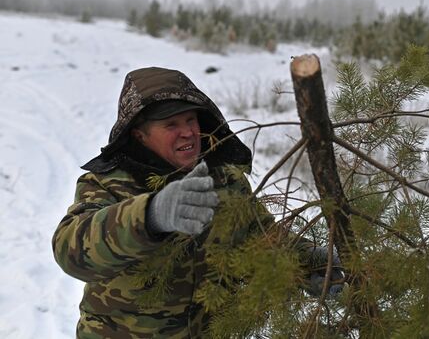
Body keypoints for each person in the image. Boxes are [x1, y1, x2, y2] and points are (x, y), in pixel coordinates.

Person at [52, 67, 342, 338]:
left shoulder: (224, 178)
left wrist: (310, 263)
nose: (188, 131)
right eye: (171, 124)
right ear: (139, 135)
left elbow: (260, 237)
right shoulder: (108, 182)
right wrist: (151, 216)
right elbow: (71, 251)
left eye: (191, 120)